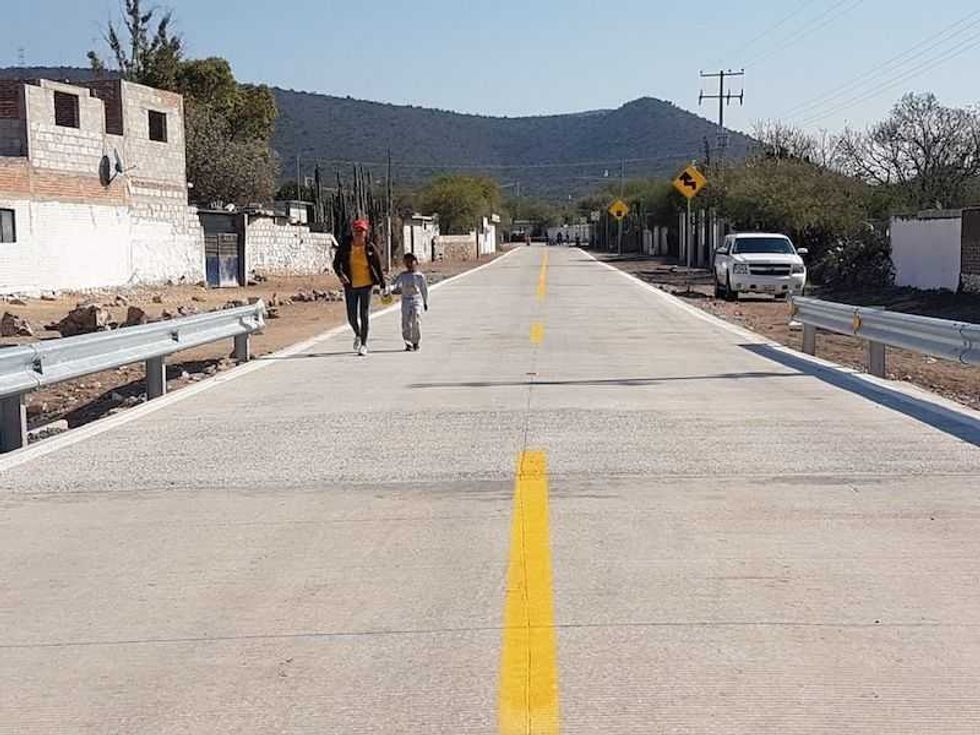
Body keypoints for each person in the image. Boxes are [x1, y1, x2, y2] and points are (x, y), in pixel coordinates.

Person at [332, 218, 385, 356]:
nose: (358, 233)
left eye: (361, 230)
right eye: (356, 230)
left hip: (366, 285)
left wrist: (383, 284)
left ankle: (364, 344)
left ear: (366, 232)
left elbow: (378, 266)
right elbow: (336, 263)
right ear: (352, 231)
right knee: (351, 317)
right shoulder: (345, 246)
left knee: (364, 314)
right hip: (350, 285)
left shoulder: (370, 248)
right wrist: (341, 275)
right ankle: (358, 333)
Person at [392, 252, 429, 351]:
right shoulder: (403, 275)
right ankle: (408, 343)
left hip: (416, 300)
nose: (409, 264)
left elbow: (424, 289)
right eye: (407, 262)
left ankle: (416, 341)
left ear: (416, 262)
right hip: (406, 300)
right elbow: (395, 285)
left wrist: (425, 302)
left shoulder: (420, 276)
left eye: (411, 261)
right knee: (406, 322)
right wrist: (388, 290)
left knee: (416, 320)